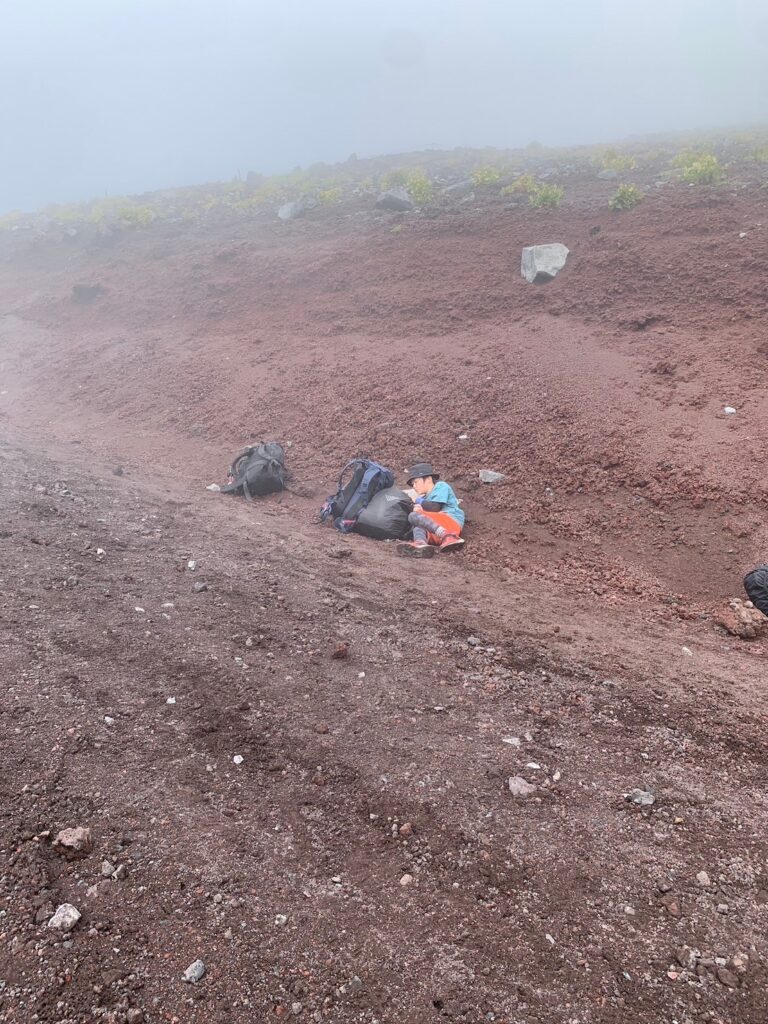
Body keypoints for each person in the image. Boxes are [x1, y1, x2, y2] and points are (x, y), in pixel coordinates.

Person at [397, 462, 465, 558]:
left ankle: (448, 535)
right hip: (437, 532)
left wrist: (418, 500)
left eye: (416, 482)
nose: (414, 486)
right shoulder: (425, 497)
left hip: (451, 524)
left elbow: (435, 507)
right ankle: (421, 544)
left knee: (414, 516)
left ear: (428, 479)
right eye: (413, 485)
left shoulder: (441, 486)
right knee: (418, 524)